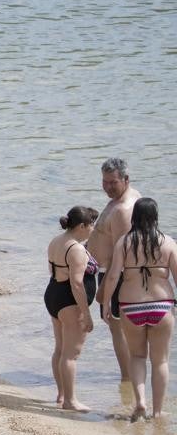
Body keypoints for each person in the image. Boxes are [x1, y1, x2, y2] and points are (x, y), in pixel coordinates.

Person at [100, 198, 177, 421]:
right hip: (161, 306)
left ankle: (141, 402)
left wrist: (106, 303)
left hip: (130, 306)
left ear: (134, 216)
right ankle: (158, 411)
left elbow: (113, 275)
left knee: (137, 356)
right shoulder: (168, 242)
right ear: (155, 217)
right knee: (160, 360)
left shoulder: (124, 242)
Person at [87, 158, 142, 380]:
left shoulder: (122, 209)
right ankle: (129, 379)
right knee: (117, 328)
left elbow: (123, 254)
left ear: (126, 180)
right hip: (107, 272)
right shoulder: (126, 197)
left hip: (114, 275)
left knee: (118, 328)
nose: (107, 187)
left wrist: (106, 292)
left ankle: (127, 380)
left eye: (113, 182)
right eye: (104, 182)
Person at [45, 205, 99, 412]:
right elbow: (77, 283)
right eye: (91, 225)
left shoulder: (56, 241)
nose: (93, 229)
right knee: (71, 354)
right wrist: (86, 314)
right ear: (82, 226)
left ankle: (61, 395)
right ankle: (70, 400)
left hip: (53, 293)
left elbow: (52, 269)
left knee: (60, 348)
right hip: (69, 300)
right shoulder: (75, 248)